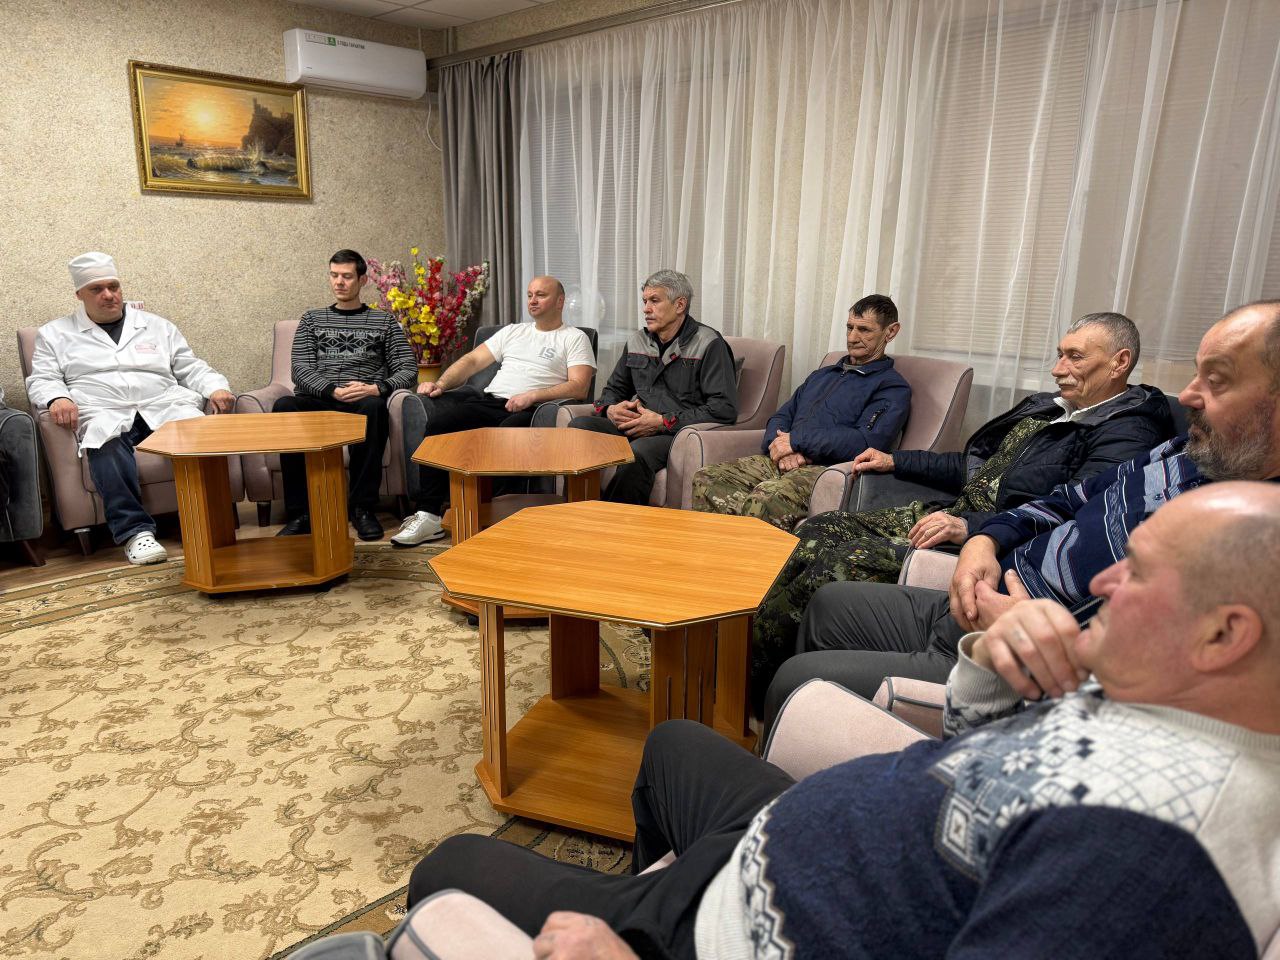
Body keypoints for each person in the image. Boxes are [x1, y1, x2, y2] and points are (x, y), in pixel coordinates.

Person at [406, 482, 1280, 959]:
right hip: (787, 840)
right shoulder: (1165, 696)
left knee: (449, 867)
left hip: (754, 928)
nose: (1101, 583)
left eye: (1137, 573)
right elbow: (979, 769)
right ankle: (646, 893)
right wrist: (991, 661)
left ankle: (644, 924)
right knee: (673, 743)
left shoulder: (1150, 859)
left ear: (1224, 634)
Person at [762, 300, 1280, 727]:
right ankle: (755, 699)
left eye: (1074, 357)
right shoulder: (1168, 450)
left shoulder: (1143, 443)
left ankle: (777, 707)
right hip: (980, 556)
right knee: (821, 545)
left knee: (826, 577)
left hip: (1009, 629)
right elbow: (1028, 486)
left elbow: (1134, 636)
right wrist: (976, 532)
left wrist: (975, 534)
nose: (1057, 369)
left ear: (1119, 363)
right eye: (1059, 354)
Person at [25, 252, 234, 565]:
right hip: (104, 409)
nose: (108, 295)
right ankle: (136, 533)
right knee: (105, 444)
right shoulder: (55, 334)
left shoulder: (157, 326)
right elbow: (43, 378)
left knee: (200, 434)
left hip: (163, 405)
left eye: (113, 286)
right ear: (79, 294)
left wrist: (216, 387)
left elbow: (190, 366)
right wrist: (57, 398)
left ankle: (207, 516)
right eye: (97, 289)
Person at [388, 275, 596, 547]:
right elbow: (473, 360)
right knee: (440, 425)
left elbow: (579, 387)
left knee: (505, 435)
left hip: (534, 410)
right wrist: (441, 383)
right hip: (491, 401)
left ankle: (501, 520)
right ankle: (429, 517)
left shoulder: (574, 337)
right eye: (530, 294)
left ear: (560, 301)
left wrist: (532, 395)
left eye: (541, 295)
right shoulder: (514, 331)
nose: (532, 300)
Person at [690, 294, 910, 531]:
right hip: (782, 460)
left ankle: (753, 555)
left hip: (827, 471)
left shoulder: (892, 387)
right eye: (849, 327)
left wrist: (797, 441)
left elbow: (865, 442)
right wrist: (781, 449)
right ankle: (722, 551)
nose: (852, 337)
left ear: (890, 332)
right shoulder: (823, 375)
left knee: (765, 499)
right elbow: (781, 417)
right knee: (708, 478)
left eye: (864, 330)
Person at [273, 250, 417, 542]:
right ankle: (302, 513)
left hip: (363, 399)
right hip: (321, 398)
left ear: (362, 280)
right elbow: (300, 369)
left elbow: (408, 369)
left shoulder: (383, 321)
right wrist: (332, 390)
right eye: (334, 275)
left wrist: (376, 388)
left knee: (375, 408)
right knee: (284, 405)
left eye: (347, 276)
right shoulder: (312, 319)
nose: (339, 282)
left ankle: (362, 508)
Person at [569, 271, 738, 505]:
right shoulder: (637, 340)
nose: (646, 309)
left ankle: (613, 521)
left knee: (637, 453)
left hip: (674, 432)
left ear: (680, 305)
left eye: (654, 301)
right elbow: (613, 390)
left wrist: (662, 421)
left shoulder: (709, 343)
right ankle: (576, 509)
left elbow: (723, 408)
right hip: (635, 424)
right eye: (645, 301)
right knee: (579, 428)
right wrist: (610, 409)